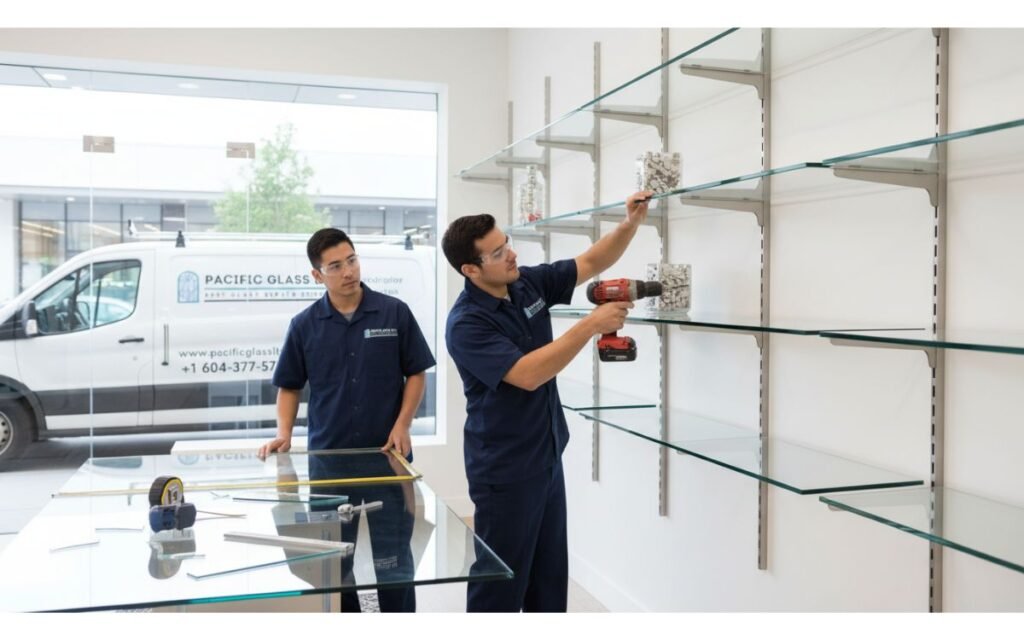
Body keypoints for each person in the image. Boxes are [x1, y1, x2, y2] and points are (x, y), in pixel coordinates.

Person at [442, 190, 652, 612]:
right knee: (500, 587)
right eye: (498, 252)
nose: (511, 254)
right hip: (504, 470)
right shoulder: (467, 323)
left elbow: (592, 262)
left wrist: (630, 224)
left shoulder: (526, 283)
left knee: (549, 582)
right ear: (471, 269)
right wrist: (592, 324)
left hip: (547, 454)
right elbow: (528, 374)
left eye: (507, 243)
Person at [259, 227, 435, 612]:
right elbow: (289, 386)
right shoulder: (304, 325)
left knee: (394, 561)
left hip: (388, 459)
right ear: (317, 275)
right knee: (335, 564)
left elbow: (417, 372)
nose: (348, 271)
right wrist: (283, 433)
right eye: (335, 266)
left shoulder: (394, 312)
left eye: (351, 260)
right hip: (329, 464)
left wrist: (403, 423)